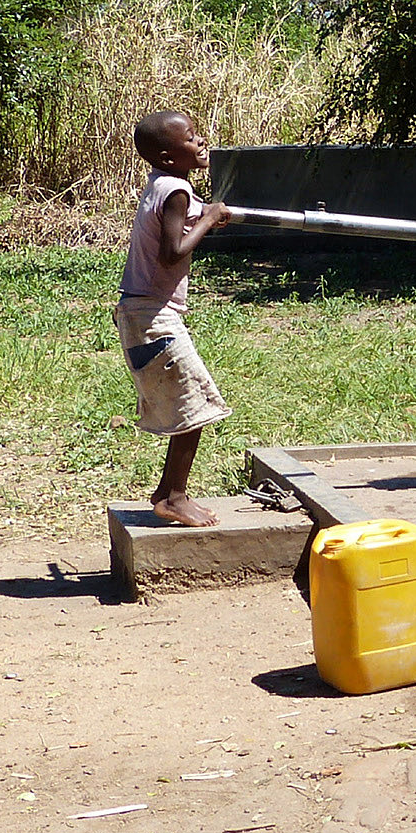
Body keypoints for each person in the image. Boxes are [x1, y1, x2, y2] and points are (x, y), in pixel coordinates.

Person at [114, 110, 232, 527]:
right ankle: (175, 497)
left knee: (190, 404)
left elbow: (182, 227)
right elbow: (172, 252)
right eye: (190, 138)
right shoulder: (177, 190)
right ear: (167, 156)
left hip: (142, 312)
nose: (201, 141)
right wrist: (212, 218)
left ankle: (166, 493)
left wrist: (209, 216)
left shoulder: (163, 184)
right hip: (152, 316)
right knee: (194, 405)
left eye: (198, 134)